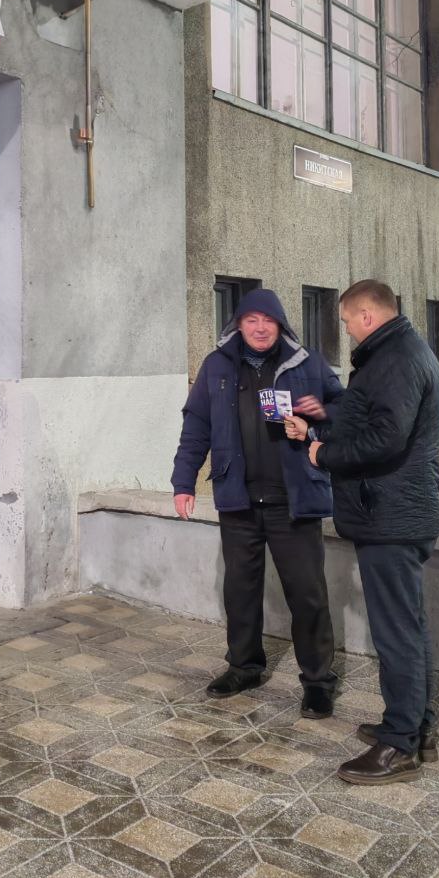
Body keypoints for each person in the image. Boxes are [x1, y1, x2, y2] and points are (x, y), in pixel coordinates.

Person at [172, 287, 344, 716]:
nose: (261, 328)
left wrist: (313, 423)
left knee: (307, 593)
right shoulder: (217, 366)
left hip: (293, 500)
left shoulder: (306, 362)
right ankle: (244, 666)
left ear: (281, 325)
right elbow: (196, 426)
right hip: (239, 498)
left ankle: (318, 681)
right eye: (252, 320)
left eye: (269, 321)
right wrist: (183, 482)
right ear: (238, 324)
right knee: (240, 590)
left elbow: (343, 410)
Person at [309, 280, 439, 783]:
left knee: (396, 631)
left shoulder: (395, 358)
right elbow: (371, 423)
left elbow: (386, 438)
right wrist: (322, 430)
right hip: (396, 511)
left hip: (391, 516)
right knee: (409, 624)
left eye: (347, 320)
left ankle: (399, 747)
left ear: (367, 315)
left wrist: (324, 454)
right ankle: (415, 725)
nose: (346, 329)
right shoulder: (403, 351)